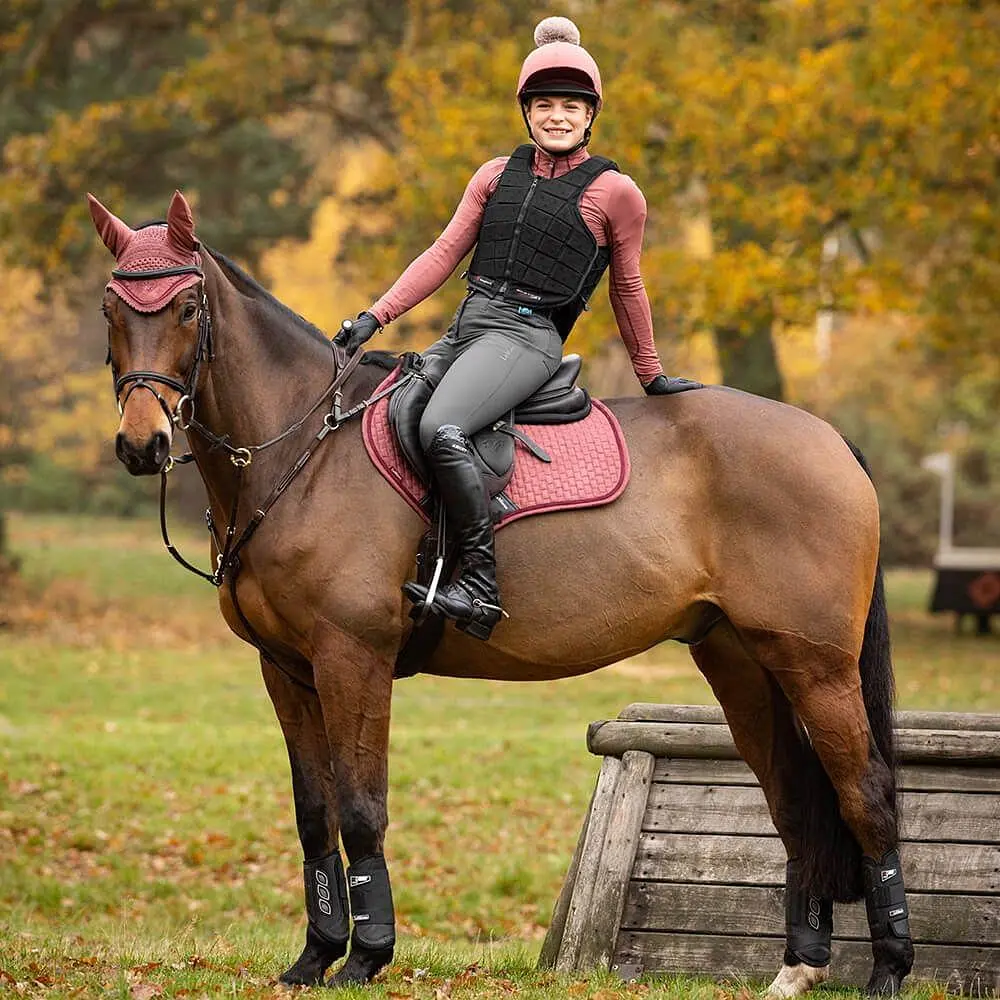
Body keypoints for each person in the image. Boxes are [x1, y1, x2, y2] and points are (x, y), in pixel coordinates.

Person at [335, 16, 691, 641]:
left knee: (443, 428)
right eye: (545, 104)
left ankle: (478, 583)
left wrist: (651, 373)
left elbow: (627, 286)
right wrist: (375, 315)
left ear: (591, 116)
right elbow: (445, 254)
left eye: (572, 106)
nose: (558, 116)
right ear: (527, 111)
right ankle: (424, 556)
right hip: (469, 327)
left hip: (527, 337)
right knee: (390, 417)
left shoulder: (616, 193)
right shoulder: (494, 175)